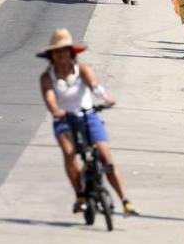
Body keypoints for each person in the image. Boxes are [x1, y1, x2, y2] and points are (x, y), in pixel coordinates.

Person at [37, 28, 138, 217]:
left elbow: (95, 86)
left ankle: (126, 201)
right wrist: (57, 111)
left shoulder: (82, 69)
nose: (61, 55)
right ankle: (80, 195)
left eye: (64, 50)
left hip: (88, 116)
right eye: (56, 52)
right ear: (51, 55)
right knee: (69, 153)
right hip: (64, 120)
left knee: (105, 156)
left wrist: (106, 98)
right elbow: (50, 98)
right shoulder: (46, 77)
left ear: (71, 52)